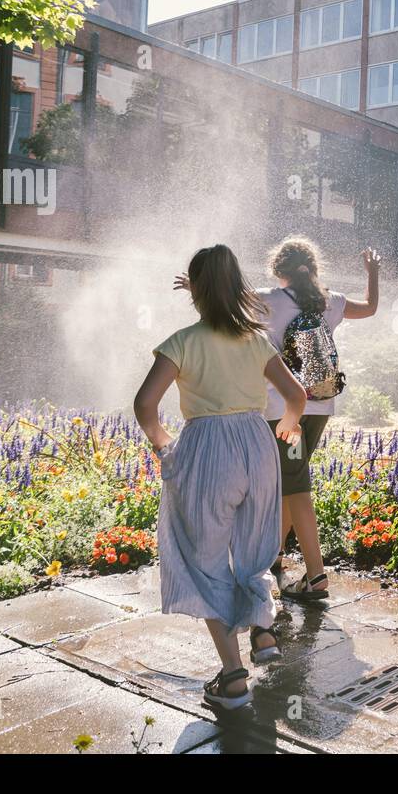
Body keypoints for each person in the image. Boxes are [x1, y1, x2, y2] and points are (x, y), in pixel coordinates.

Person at [136, 244, 306, 712]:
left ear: (198, 293)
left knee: (204, 560)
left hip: (206, 452)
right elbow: (296, 394)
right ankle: (264, 631)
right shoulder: (255, 340)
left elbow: (145, 405)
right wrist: (288, 425)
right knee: (253, 551)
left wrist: (165, 446)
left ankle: (233, 679)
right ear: (237, 287)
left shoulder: (183, 342)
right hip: (257, 445)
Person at [256, 238, 379, 601]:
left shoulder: (269, 298)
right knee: (289, 483)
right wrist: (372, 273)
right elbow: (370, 307)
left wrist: (197, 287)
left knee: (295, 487)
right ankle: (273, 555)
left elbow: (222, 303)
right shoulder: (332, 302)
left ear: (279, 270)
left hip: (283, 411)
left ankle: (316, 576)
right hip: (320, 407)